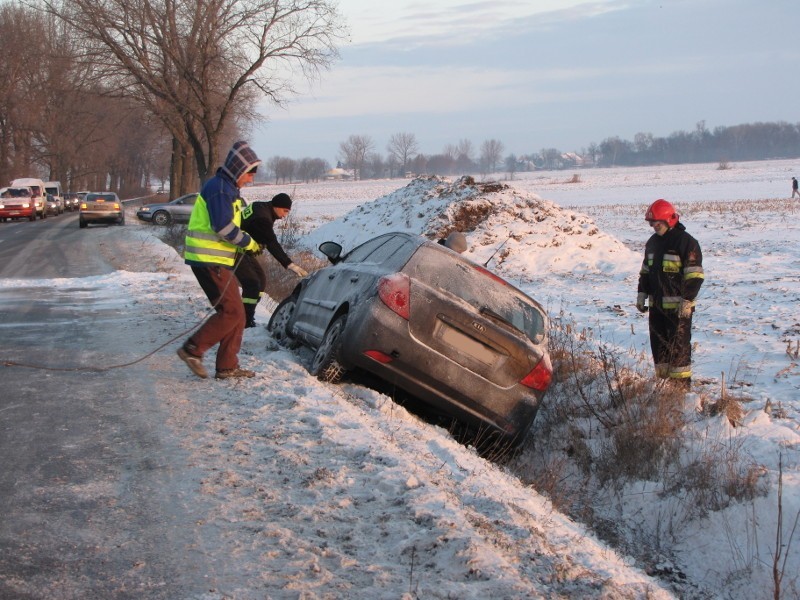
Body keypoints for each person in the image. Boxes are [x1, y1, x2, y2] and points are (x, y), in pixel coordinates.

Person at [176, 140, 263, 380]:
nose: (251, 180)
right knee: (233, 311)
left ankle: (227, 366)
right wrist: (248, 242)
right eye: (249, 174)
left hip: (215, 259)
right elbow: (222, 226)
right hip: (208, 259)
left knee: (237, 313)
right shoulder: (221, 189)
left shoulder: (226, 188)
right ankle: (192, 350)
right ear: (239, 170)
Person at [636, 199, 704, 390]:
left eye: (656, 222)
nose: (653, 226)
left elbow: (695, 275)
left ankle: (681, 391)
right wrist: (642, 293)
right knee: (660, 352)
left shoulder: (686, 242)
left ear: (669, 220)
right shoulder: (652, 243)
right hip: (657, 308)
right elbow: (645, 272)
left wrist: (687, 300)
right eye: (651, 223)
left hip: (678, 310)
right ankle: (664, 389)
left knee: (679, 353)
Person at [237, 193, 308, 328]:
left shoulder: (261, 207)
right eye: (285, 211)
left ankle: (247, 317)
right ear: (277, 206)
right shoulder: (262, 217)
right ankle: (244, 321)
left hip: (244, 250)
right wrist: (289, 264)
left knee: (261, 281)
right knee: (252, 284)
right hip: (235, 250)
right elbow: (271, 242)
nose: (285, 215)